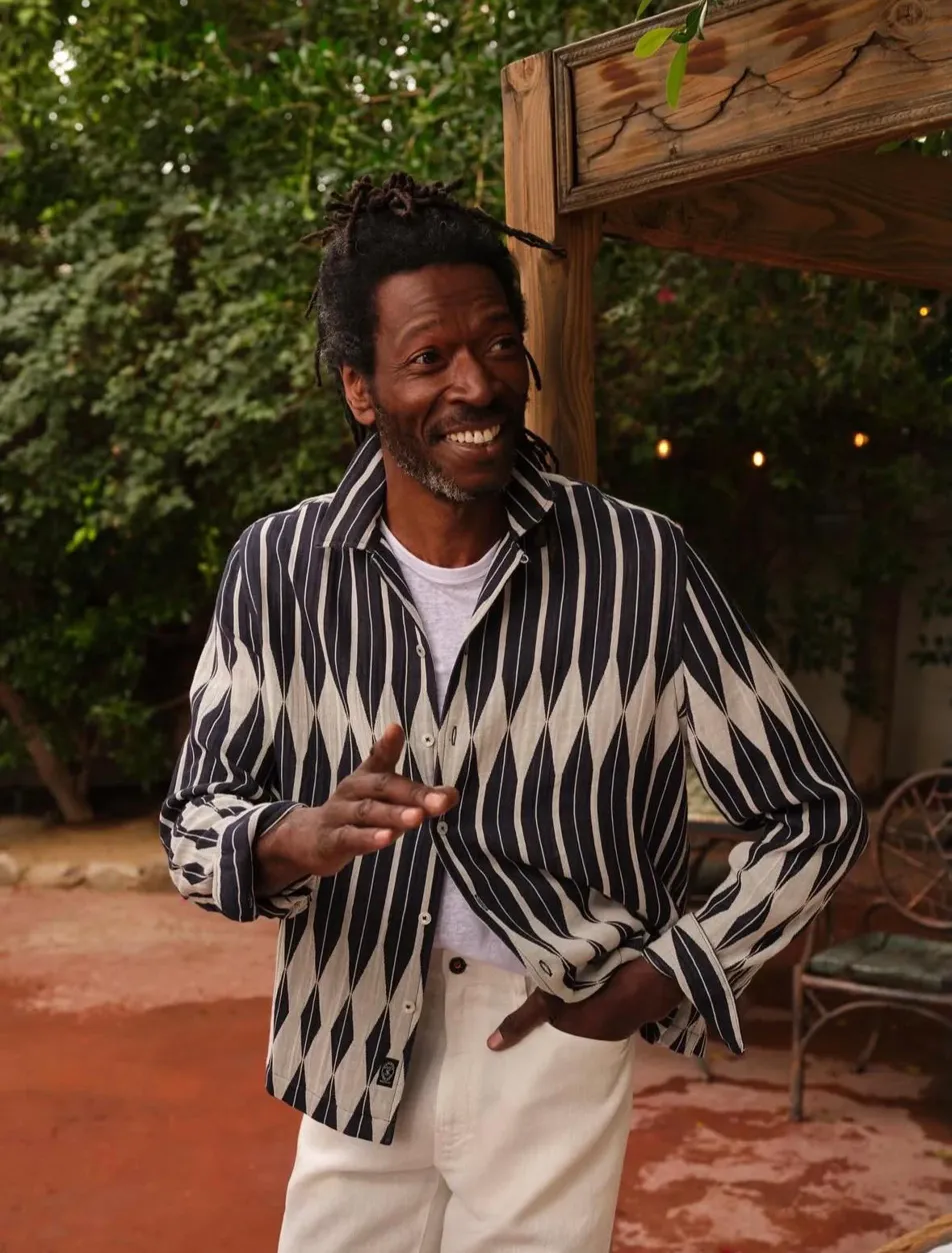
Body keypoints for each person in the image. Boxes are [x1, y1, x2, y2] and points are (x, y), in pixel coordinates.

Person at [160, 172, 868, 1253]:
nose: (476, 384)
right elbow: (192, 818)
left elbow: (812, 812)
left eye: (497, 344)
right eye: (428, 357)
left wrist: (662, 974)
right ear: (360, 388)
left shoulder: (638, 563)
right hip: (351, 1020)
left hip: (553, 1030)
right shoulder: (280, 566)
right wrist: (289, 838)